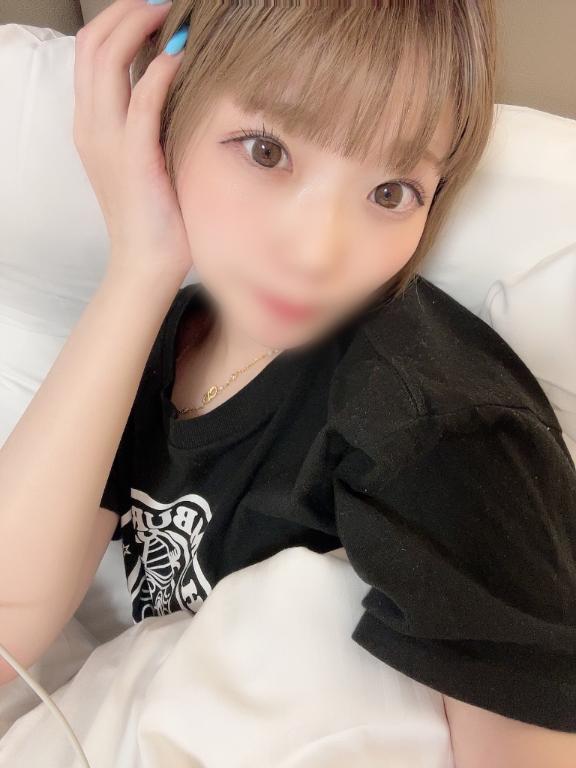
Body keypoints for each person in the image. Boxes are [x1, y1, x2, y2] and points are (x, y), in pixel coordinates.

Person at [1, 0, 575, 763]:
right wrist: (141, 263)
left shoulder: (435, 432)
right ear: (165, 109)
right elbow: (9, 626)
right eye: (266, 151)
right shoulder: (168, 335)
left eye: (390, 192)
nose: (317, 253)